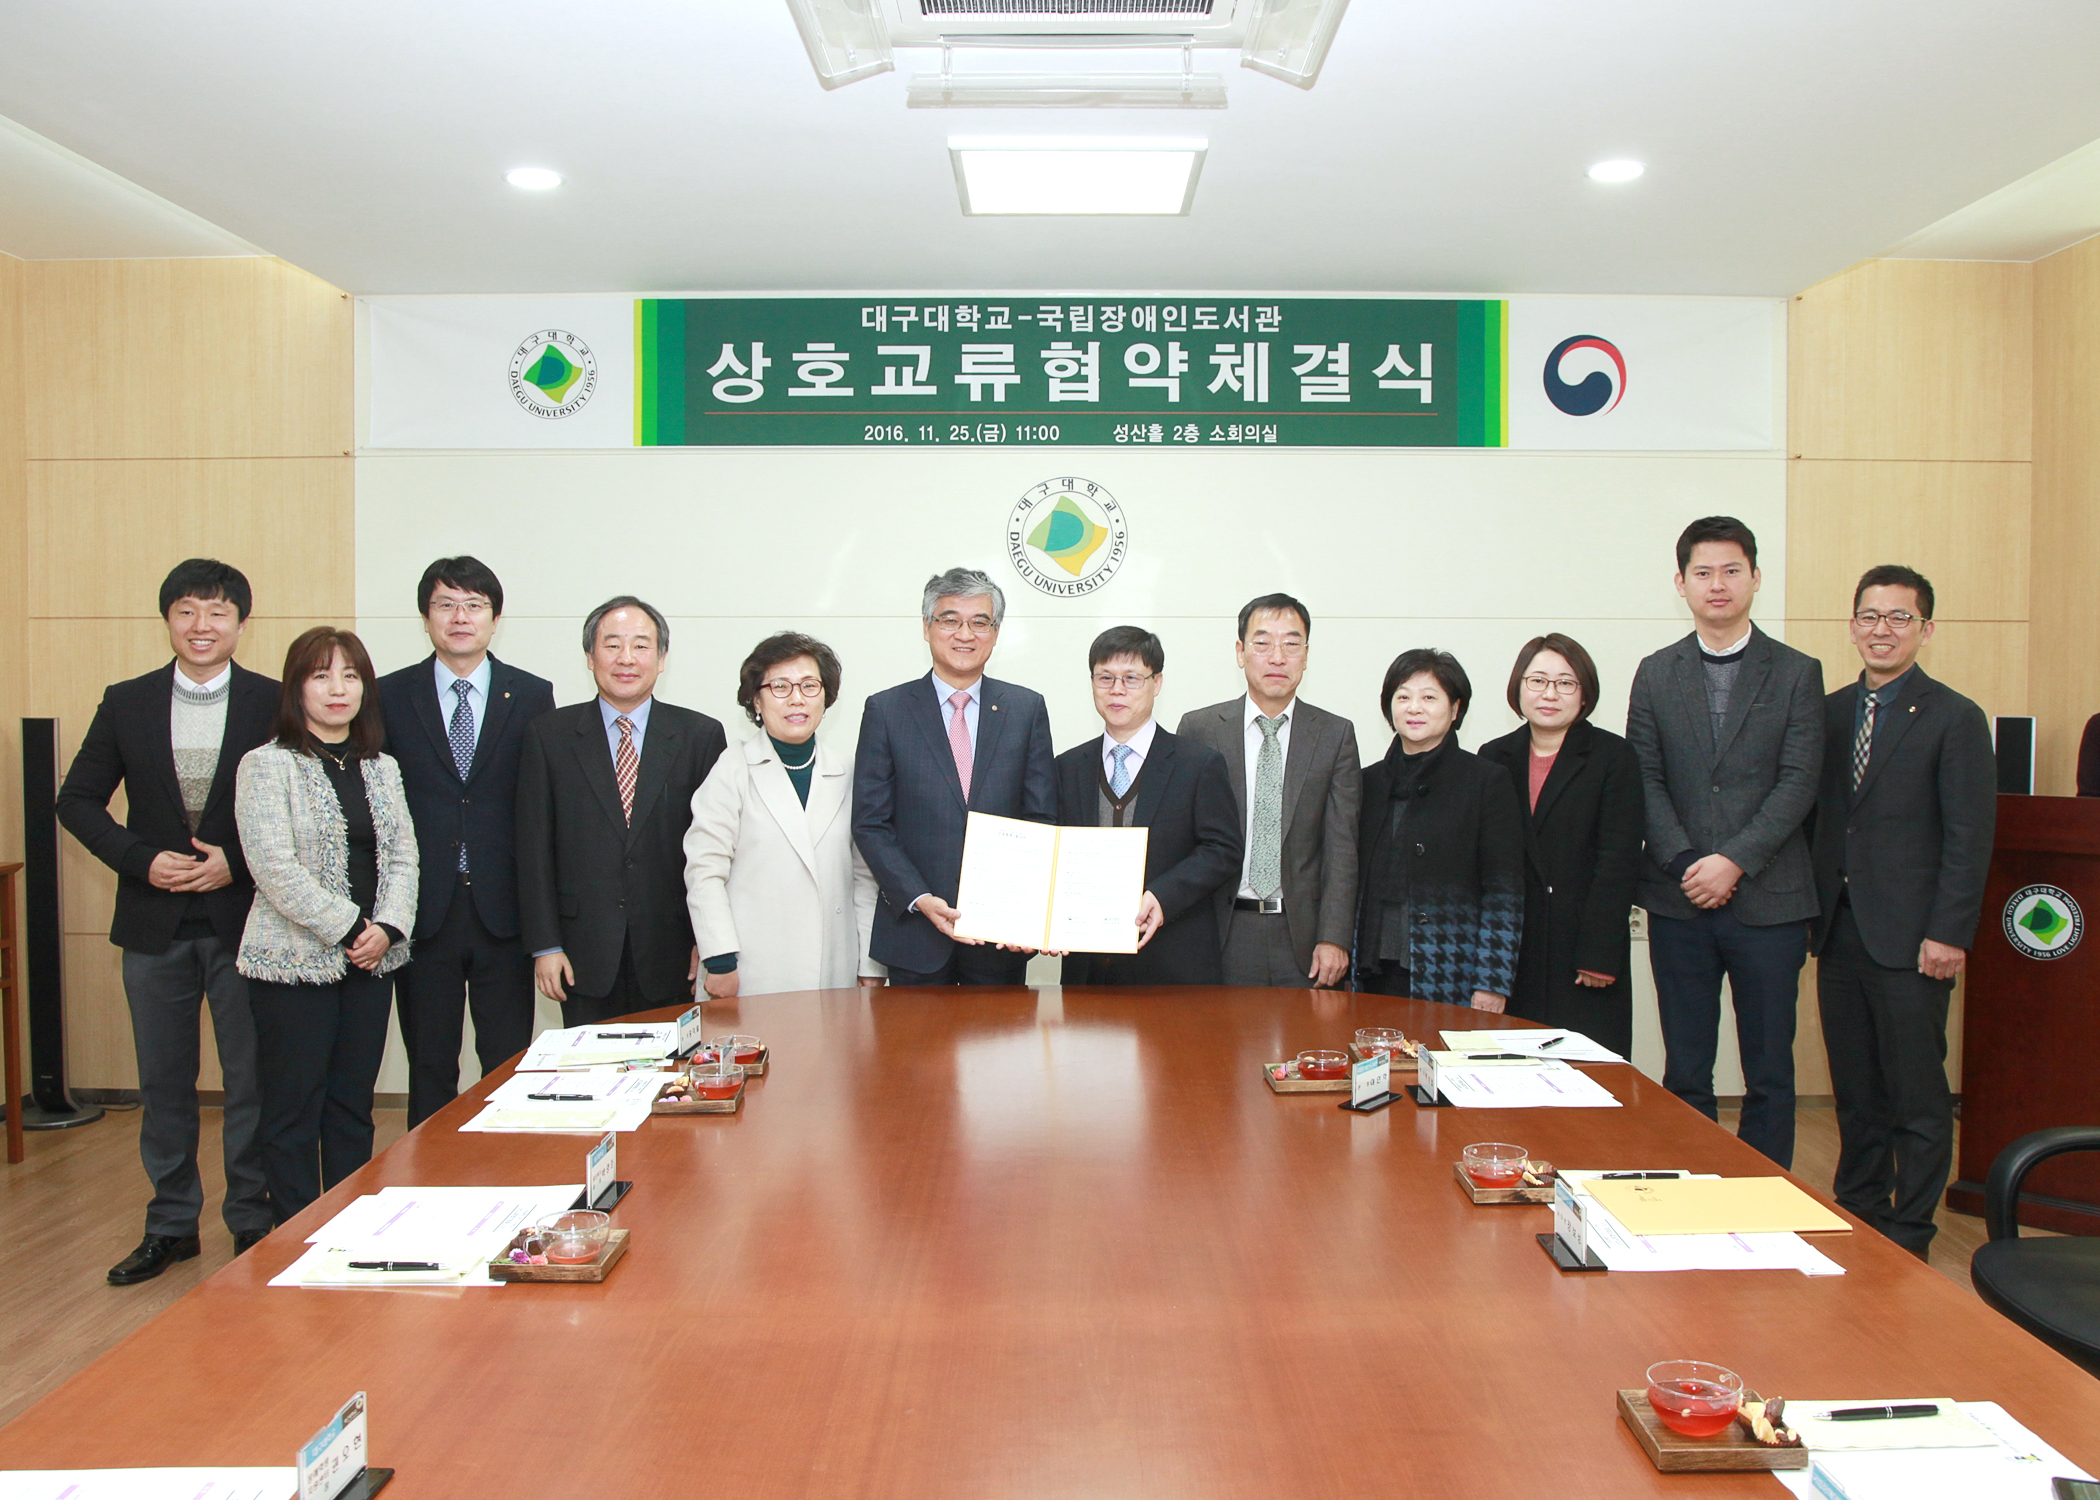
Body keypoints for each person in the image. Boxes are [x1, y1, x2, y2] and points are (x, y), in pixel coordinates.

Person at [57, 560, 279, 1284]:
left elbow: (302, 809)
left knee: (251, 1083)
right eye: (187, 611)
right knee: (164, 1084)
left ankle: (251, 1218)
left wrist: (237, 863)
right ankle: (171, 1224)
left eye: (217, 612)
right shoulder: (127, 702)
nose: (201, 626)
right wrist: (139, 859)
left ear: (241, 623)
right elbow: (77, 799)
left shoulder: (274, 701)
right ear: (168, 620)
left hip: (244, 923)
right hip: (153, 924)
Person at [1626, 515, 1824, 1168]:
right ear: (1680, 583)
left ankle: (1767, 1192)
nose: (1718, 584)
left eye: (1732, 570)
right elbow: (1644, 777)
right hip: (1680, 898)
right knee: (1686, 1066)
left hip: (1770, 900)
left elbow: (1799, 780)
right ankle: (1693, 1184)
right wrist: (1689, 862)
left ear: (1756, 578)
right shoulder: (1656, 673)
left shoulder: (1796, 672)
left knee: (1769, 1069)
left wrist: (1734, 860)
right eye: (1703, 572)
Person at [1810, 566, 1996, 1257]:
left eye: (1899, 617)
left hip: (1916, 939)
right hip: (1839, 930)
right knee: (1855, 1090)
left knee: (1916, 1095)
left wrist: (1949, 932)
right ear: (1852, 625)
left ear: (1926, 629)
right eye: (1870, 616)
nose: (1881, 629)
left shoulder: (1955, 716)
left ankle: (1911, 1230)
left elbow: (1969, 836)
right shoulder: (1828, 713)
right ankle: (1860, 1213)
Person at [234, 627, 418, 1223]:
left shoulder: (382, 766)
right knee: (292, 1110)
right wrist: (351, 928)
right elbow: (273, 868)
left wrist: (388, 928)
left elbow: (403, 857)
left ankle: (348, 1225)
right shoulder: (266, 765)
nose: (338, 689)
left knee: (352, 1106)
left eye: (350, 676)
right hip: (293, 965)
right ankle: (292, 1235)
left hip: (372, 963)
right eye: (321, 676)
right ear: (297, 688)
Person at [375, 557, 556, 1129]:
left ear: (495, 619)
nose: (460, 617)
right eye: (446, 605)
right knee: (429, 1064)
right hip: (423, 909)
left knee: (506, 1062)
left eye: (474, 605)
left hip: (504, 910)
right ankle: (430, 1170)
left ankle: (504, 1166)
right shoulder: (388, 694)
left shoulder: (531, 694)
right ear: (426, 617)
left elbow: (540, 805)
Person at [518, 596, 727, 1024]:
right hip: (581, 953)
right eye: (612, 645)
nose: (626, 658)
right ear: (590, 657)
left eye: (641, 645)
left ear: (662, 658)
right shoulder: (549, 735)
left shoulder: (700, 736)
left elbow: (717, 851)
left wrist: (707, 939)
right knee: (589, 1064)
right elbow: (533, 847)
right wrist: (545, 945)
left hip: (674, 951)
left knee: (672, 1065)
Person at [852, 567, 1057, 986]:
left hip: (1001, 937)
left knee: (1003, 1032)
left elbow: (1041, 819)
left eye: (980, 622)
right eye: (950, 620)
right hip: (914, 932)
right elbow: (871, 823)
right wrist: (918, 897)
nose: (965, 634)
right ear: (926, 627)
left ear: (995, 633)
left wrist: (1025, 909)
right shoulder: (886, 710)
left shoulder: (1026, 709)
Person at [1175, 593, 1361, 989]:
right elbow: (1183, 840)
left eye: (1291, 644)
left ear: (1306, 655)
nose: (1278, 657)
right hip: (1220, 930)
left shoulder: (1334, 734)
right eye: (1262, 643)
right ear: (1240, 652)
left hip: (1303, 936)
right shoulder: (1200, 729)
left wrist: (1334, 937)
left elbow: (1341, 847)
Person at [684, 633, 885, 996]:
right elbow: (704, 871)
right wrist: (720, 960)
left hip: (833, 969)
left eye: (809, 685)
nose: (797, 698)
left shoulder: (849, 772)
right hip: (749, 972)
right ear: (756, 700)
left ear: (825, 697)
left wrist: (870, 964)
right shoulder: (733, 768)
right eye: (780, 686)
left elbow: (864, 878)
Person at [1477, 634, 1644, 1058]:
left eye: (1566, 683)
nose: (1549, 694)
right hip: (1514, 949)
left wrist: (1599, 954)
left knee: (1586, 1070)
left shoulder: (1613, 756)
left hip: (1583, 949)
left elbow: (1619, 860)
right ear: (1519, 687)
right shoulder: (1493, 756)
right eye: (1537, 680)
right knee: (1510, 1070)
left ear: (1584, 693)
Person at [1055, 627, 1241, 985]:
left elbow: (1224, 849)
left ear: (1157, 683)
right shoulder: (1067, 767)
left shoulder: (1198, 764)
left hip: (1172, 965)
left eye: (1131, 678)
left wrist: (1163, 895)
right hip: (1087, 970)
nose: (1117, 690)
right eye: (1105, 678)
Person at [1353, 649, 1523, 1008]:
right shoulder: (1366, 782)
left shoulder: (1486, 781)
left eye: (1429, 698)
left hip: (1452, 968)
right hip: (1368, 969)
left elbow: (1504, 890)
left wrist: (1492, 981)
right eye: (1403, 697)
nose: (1414, 708)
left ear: (1455, 708)